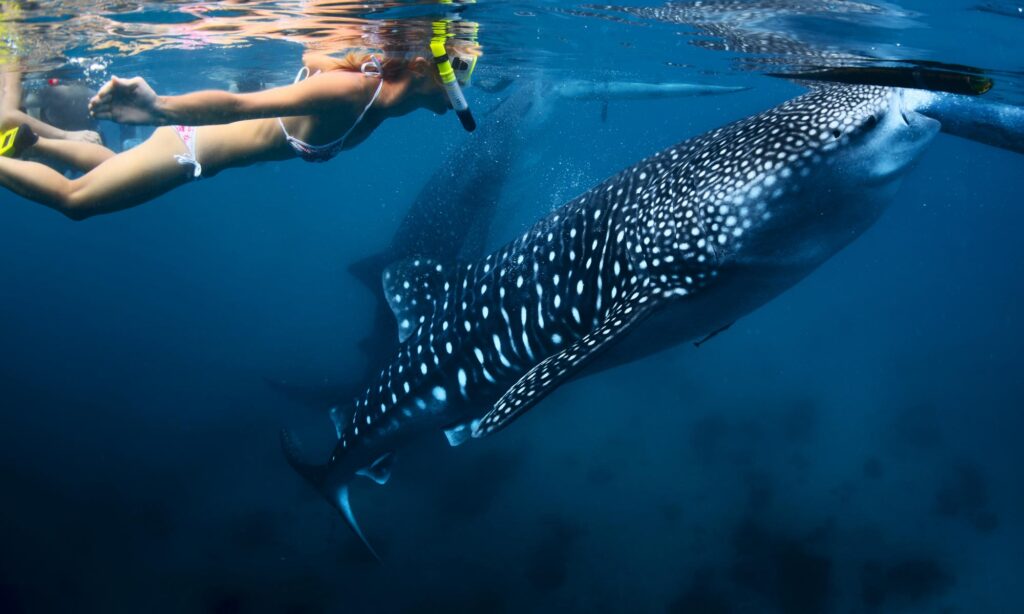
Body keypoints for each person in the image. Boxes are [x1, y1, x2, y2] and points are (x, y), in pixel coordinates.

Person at [0, 45, 478, 220]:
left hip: (194, 156)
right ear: (422, 67)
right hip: (188, 146)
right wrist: (158, 107)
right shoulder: (353, 93)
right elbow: (238, 106)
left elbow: (312, 55)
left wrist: (333, 55)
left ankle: (32, 142)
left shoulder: (374, 96)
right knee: (75, 202)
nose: (467, 82)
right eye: (463, 69)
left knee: (110, 166)